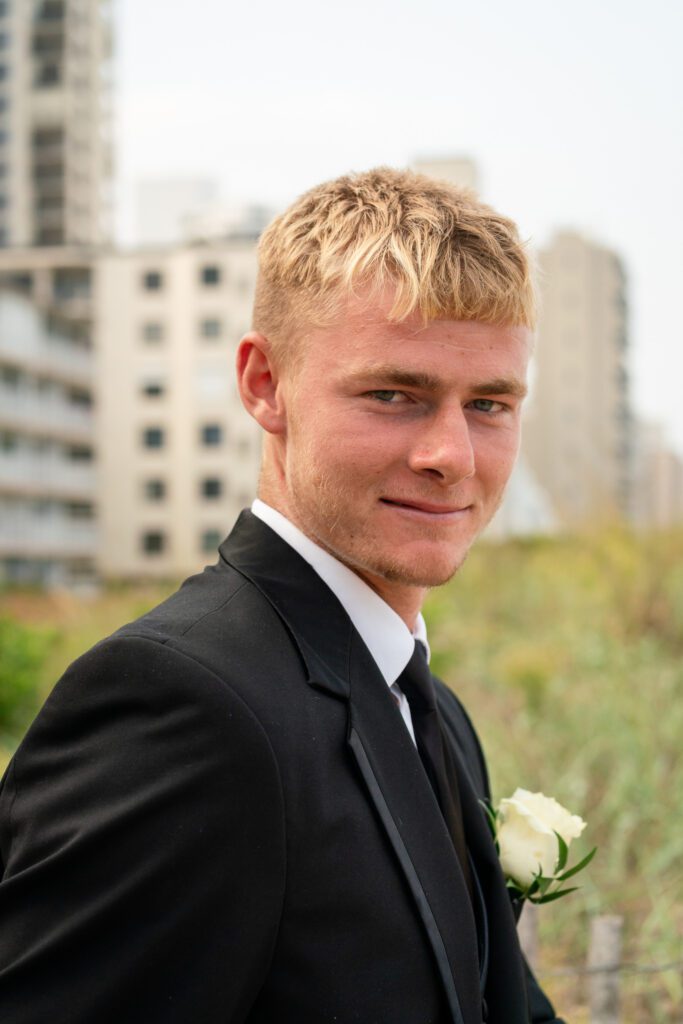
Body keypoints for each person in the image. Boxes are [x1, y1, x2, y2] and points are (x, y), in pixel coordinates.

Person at [0, 168, 564, 1023]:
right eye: (393, 395)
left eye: (488, 404)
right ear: (264, 384)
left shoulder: (432, 708)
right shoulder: (179, 707)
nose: (451, 454)